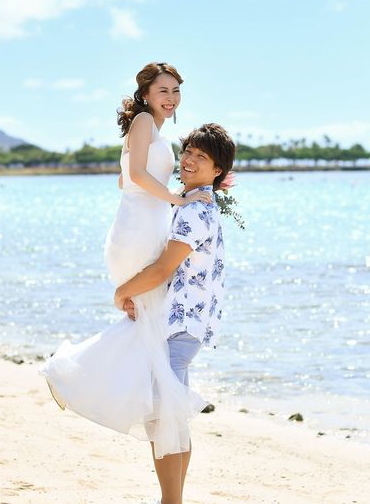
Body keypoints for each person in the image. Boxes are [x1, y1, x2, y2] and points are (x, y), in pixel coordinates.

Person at [39, 62, 210, 462]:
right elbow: (135, 174)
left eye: (176, 91)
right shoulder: (144, 122)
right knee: (149, 320)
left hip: (140, 225)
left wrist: (158, 196)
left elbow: (124, 179)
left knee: (147, 325)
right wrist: (177, 199)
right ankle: (76, 374)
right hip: (139, 232)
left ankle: (146, 400)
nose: (171, 98)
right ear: (146, 94)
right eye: (163, 90)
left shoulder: (149, 129)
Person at [114, 123, 236, 504]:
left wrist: (123, 291)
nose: (189, 161)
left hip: (180, 326)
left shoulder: (193, 211)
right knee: (171, 417)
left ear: (218, 170)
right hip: (188, 325)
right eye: (188, 152)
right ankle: (172, 499)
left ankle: (171, 501)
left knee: (164, 418)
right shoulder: (198, 204)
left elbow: (163, 269)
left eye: (202, 157)